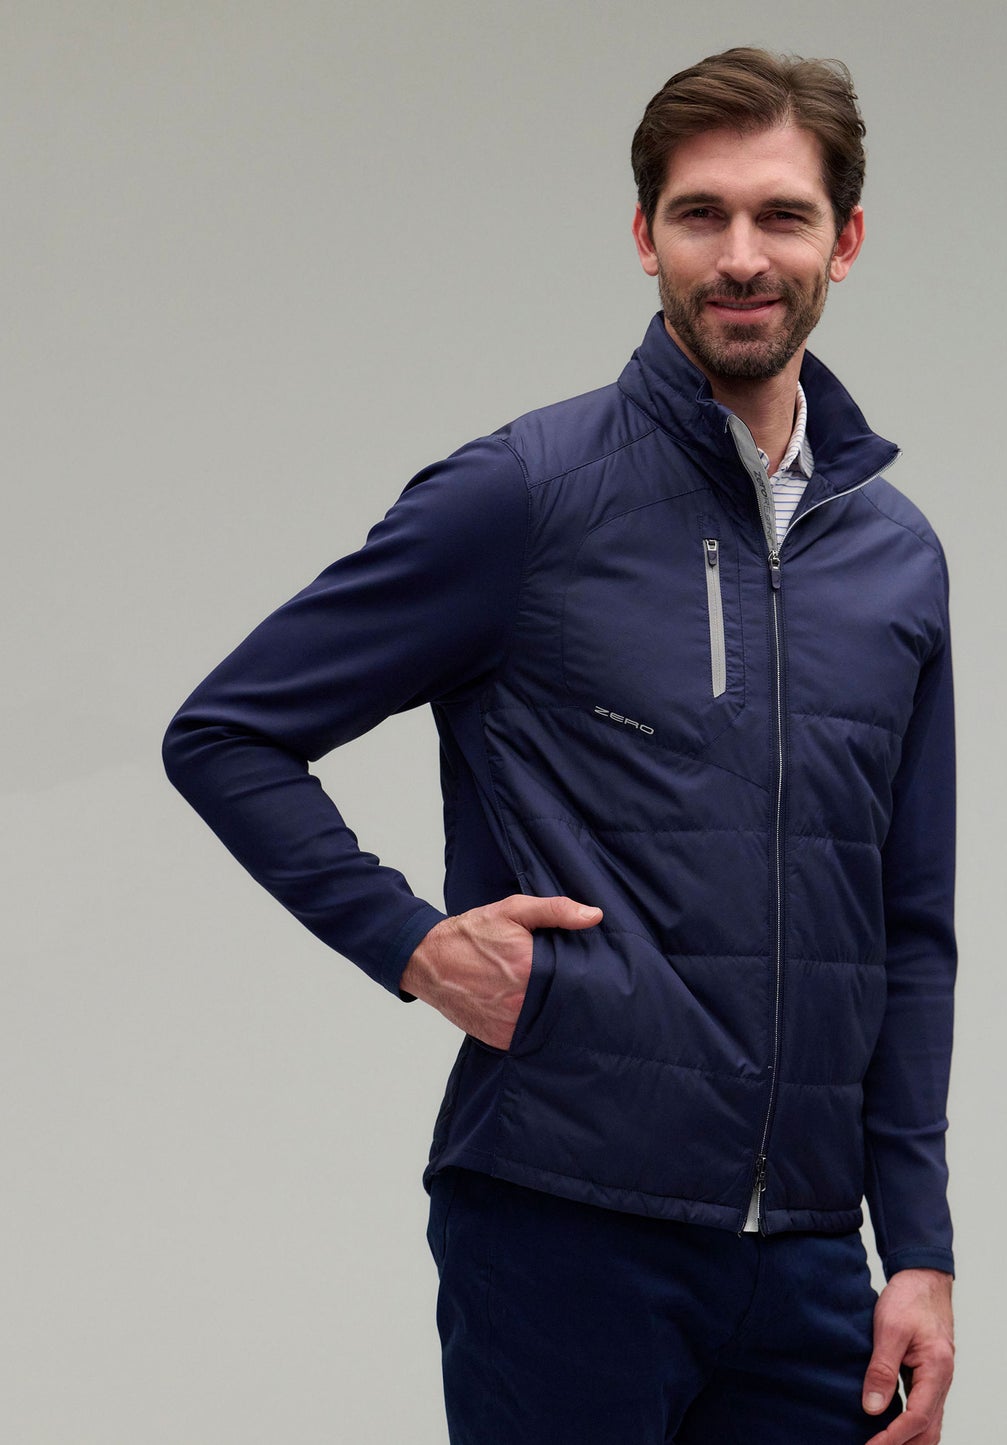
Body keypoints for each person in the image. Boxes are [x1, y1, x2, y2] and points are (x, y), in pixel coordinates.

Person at [164, 46, 958, 1445]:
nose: (741, 256)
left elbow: (907, 924)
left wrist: (920, 1247)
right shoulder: (526, 496)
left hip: (809, 1261)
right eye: (701, 214)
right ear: (645, 235)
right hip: (562, 1226)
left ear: (843, 240)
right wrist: (412, 944)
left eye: (780, 215)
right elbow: (227, 732)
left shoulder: (895, 558)